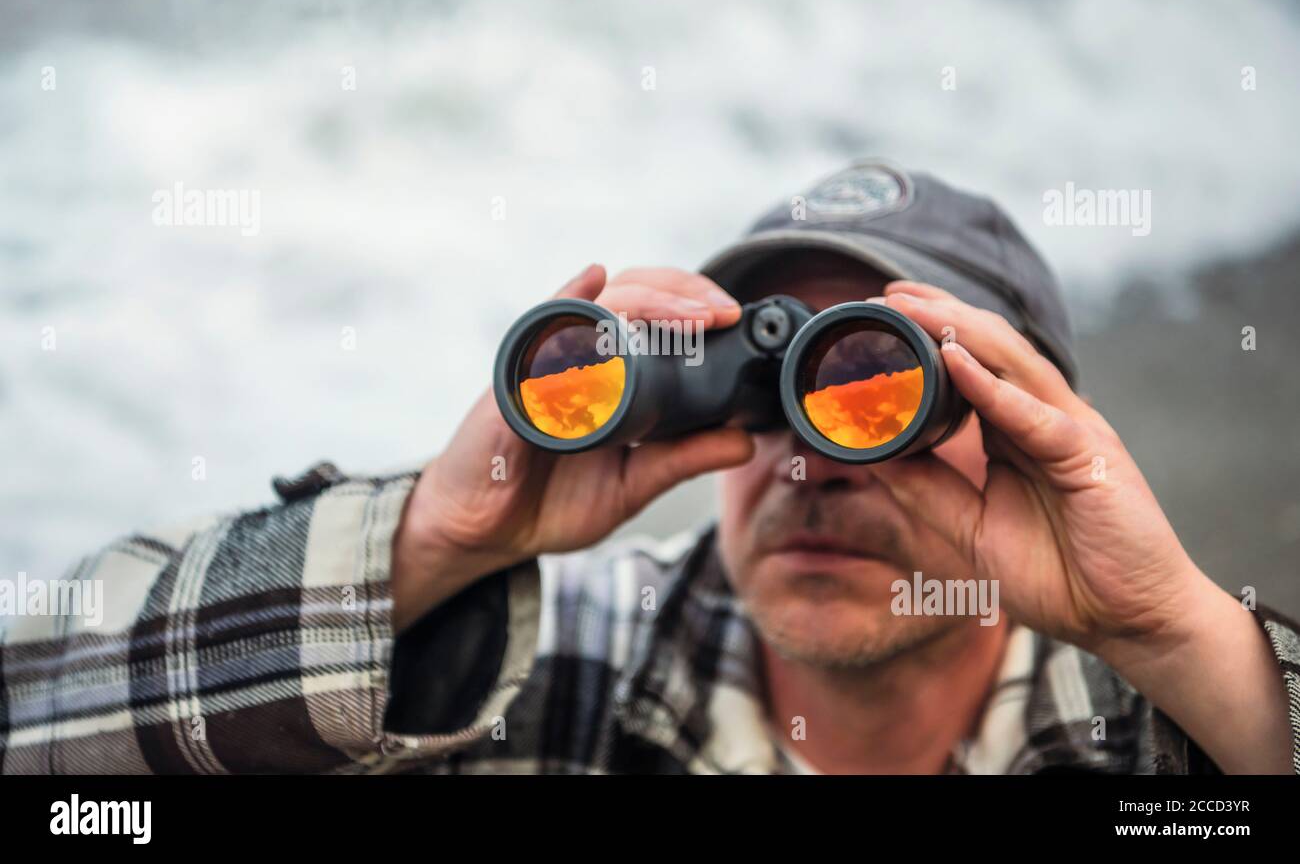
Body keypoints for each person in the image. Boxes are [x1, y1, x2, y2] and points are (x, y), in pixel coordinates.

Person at [3, 162, 1296, 774]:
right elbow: (41, 744)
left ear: (1030, 427)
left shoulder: (1160, 740)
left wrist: (1176, 635)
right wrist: (435, 545)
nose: (811, 461)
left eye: (877, 387)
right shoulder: (539, 677)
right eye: (767, 385)